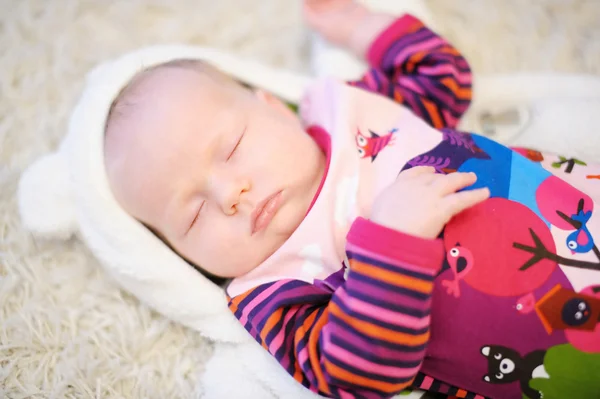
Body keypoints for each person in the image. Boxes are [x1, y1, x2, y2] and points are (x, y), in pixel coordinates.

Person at [102, 1, 600, 398]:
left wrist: (360, 26)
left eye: (232, 148)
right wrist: (392, 244)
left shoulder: (351, 115)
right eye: (193, 216)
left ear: (274, 107)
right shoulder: (272, 289)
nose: (230, 194)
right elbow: (355, 374)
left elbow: (442, 77)